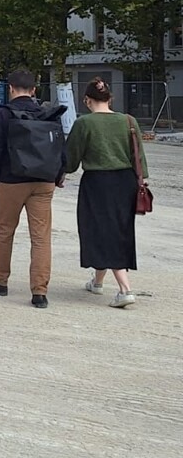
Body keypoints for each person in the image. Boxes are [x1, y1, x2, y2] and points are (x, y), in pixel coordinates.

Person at [0, 68, 66, 308]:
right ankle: (39, 291)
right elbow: (61, 148)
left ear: (10, 89)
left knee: (5, 230)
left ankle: (0, 281)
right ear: (34, 90)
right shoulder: (48, 114)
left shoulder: (2, 115)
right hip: (43, 181)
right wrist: (58, 175)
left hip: (11, 180)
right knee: (41, 237)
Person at [64, 76, 147, 309]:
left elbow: (71, 159)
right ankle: (97, 282)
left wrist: (61, 173)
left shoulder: (84, 123)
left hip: (98, 182)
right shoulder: (128, 121)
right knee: (118, 228)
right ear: (111, 98)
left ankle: (125, 289)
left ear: (87, 100)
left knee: (100, 230)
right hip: (126, 181)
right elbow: (138, 157)